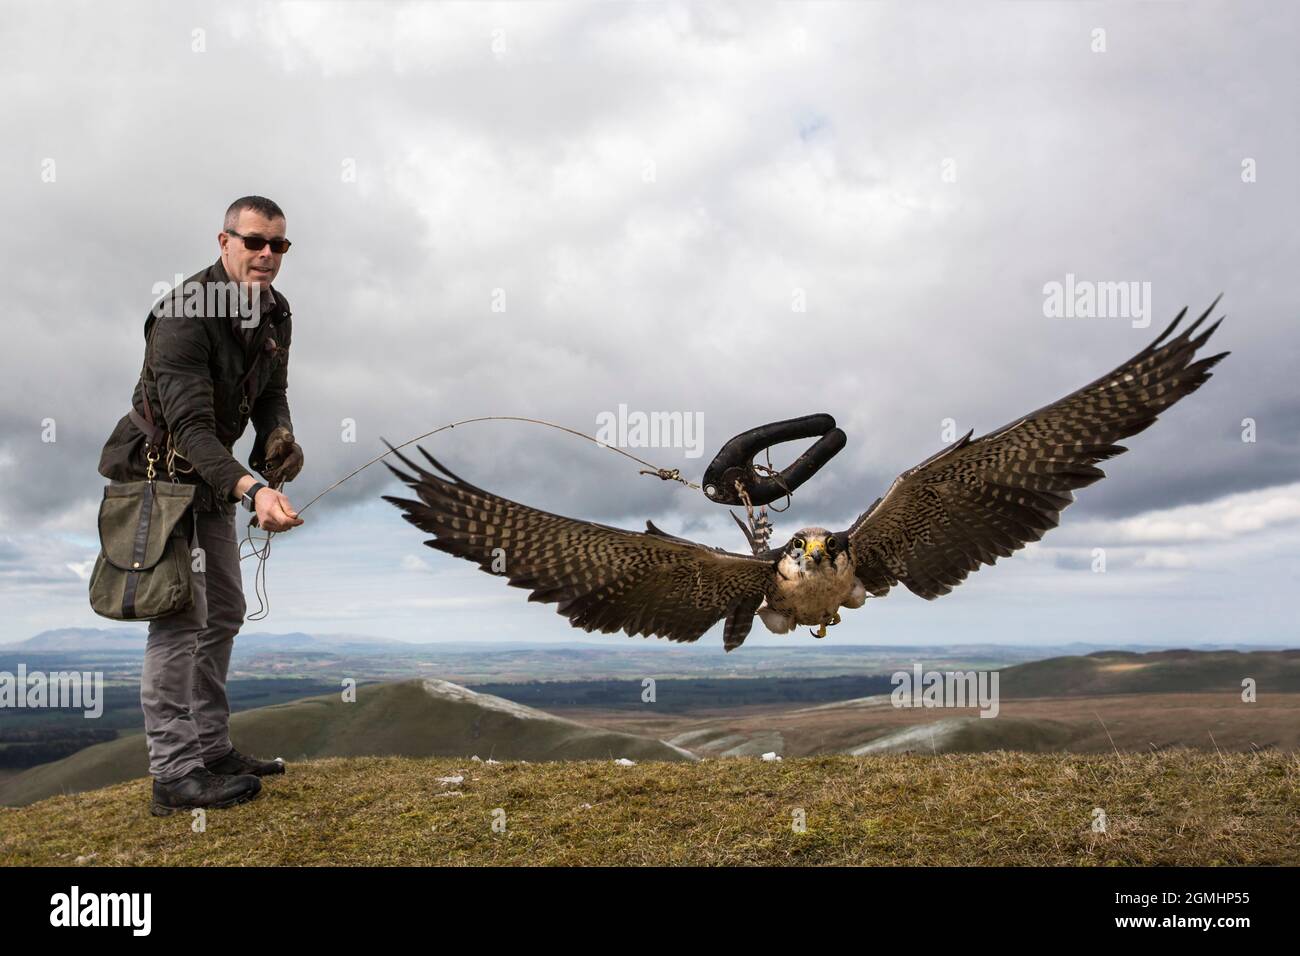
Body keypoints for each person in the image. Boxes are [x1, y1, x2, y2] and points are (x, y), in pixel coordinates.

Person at [97, 195, 306, 816]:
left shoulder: (276, 312)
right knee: (180, 616)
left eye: (279, 246)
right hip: (160, 478)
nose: (267, 255)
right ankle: (174, 773)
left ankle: (212, 750)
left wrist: (278, 439)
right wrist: (253, 489)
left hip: (213, 480)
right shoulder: (184, 313)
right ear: (224, 242)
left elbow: (273, 392)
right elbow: (188, 428)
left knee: (226, 611)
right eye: (254, 242)